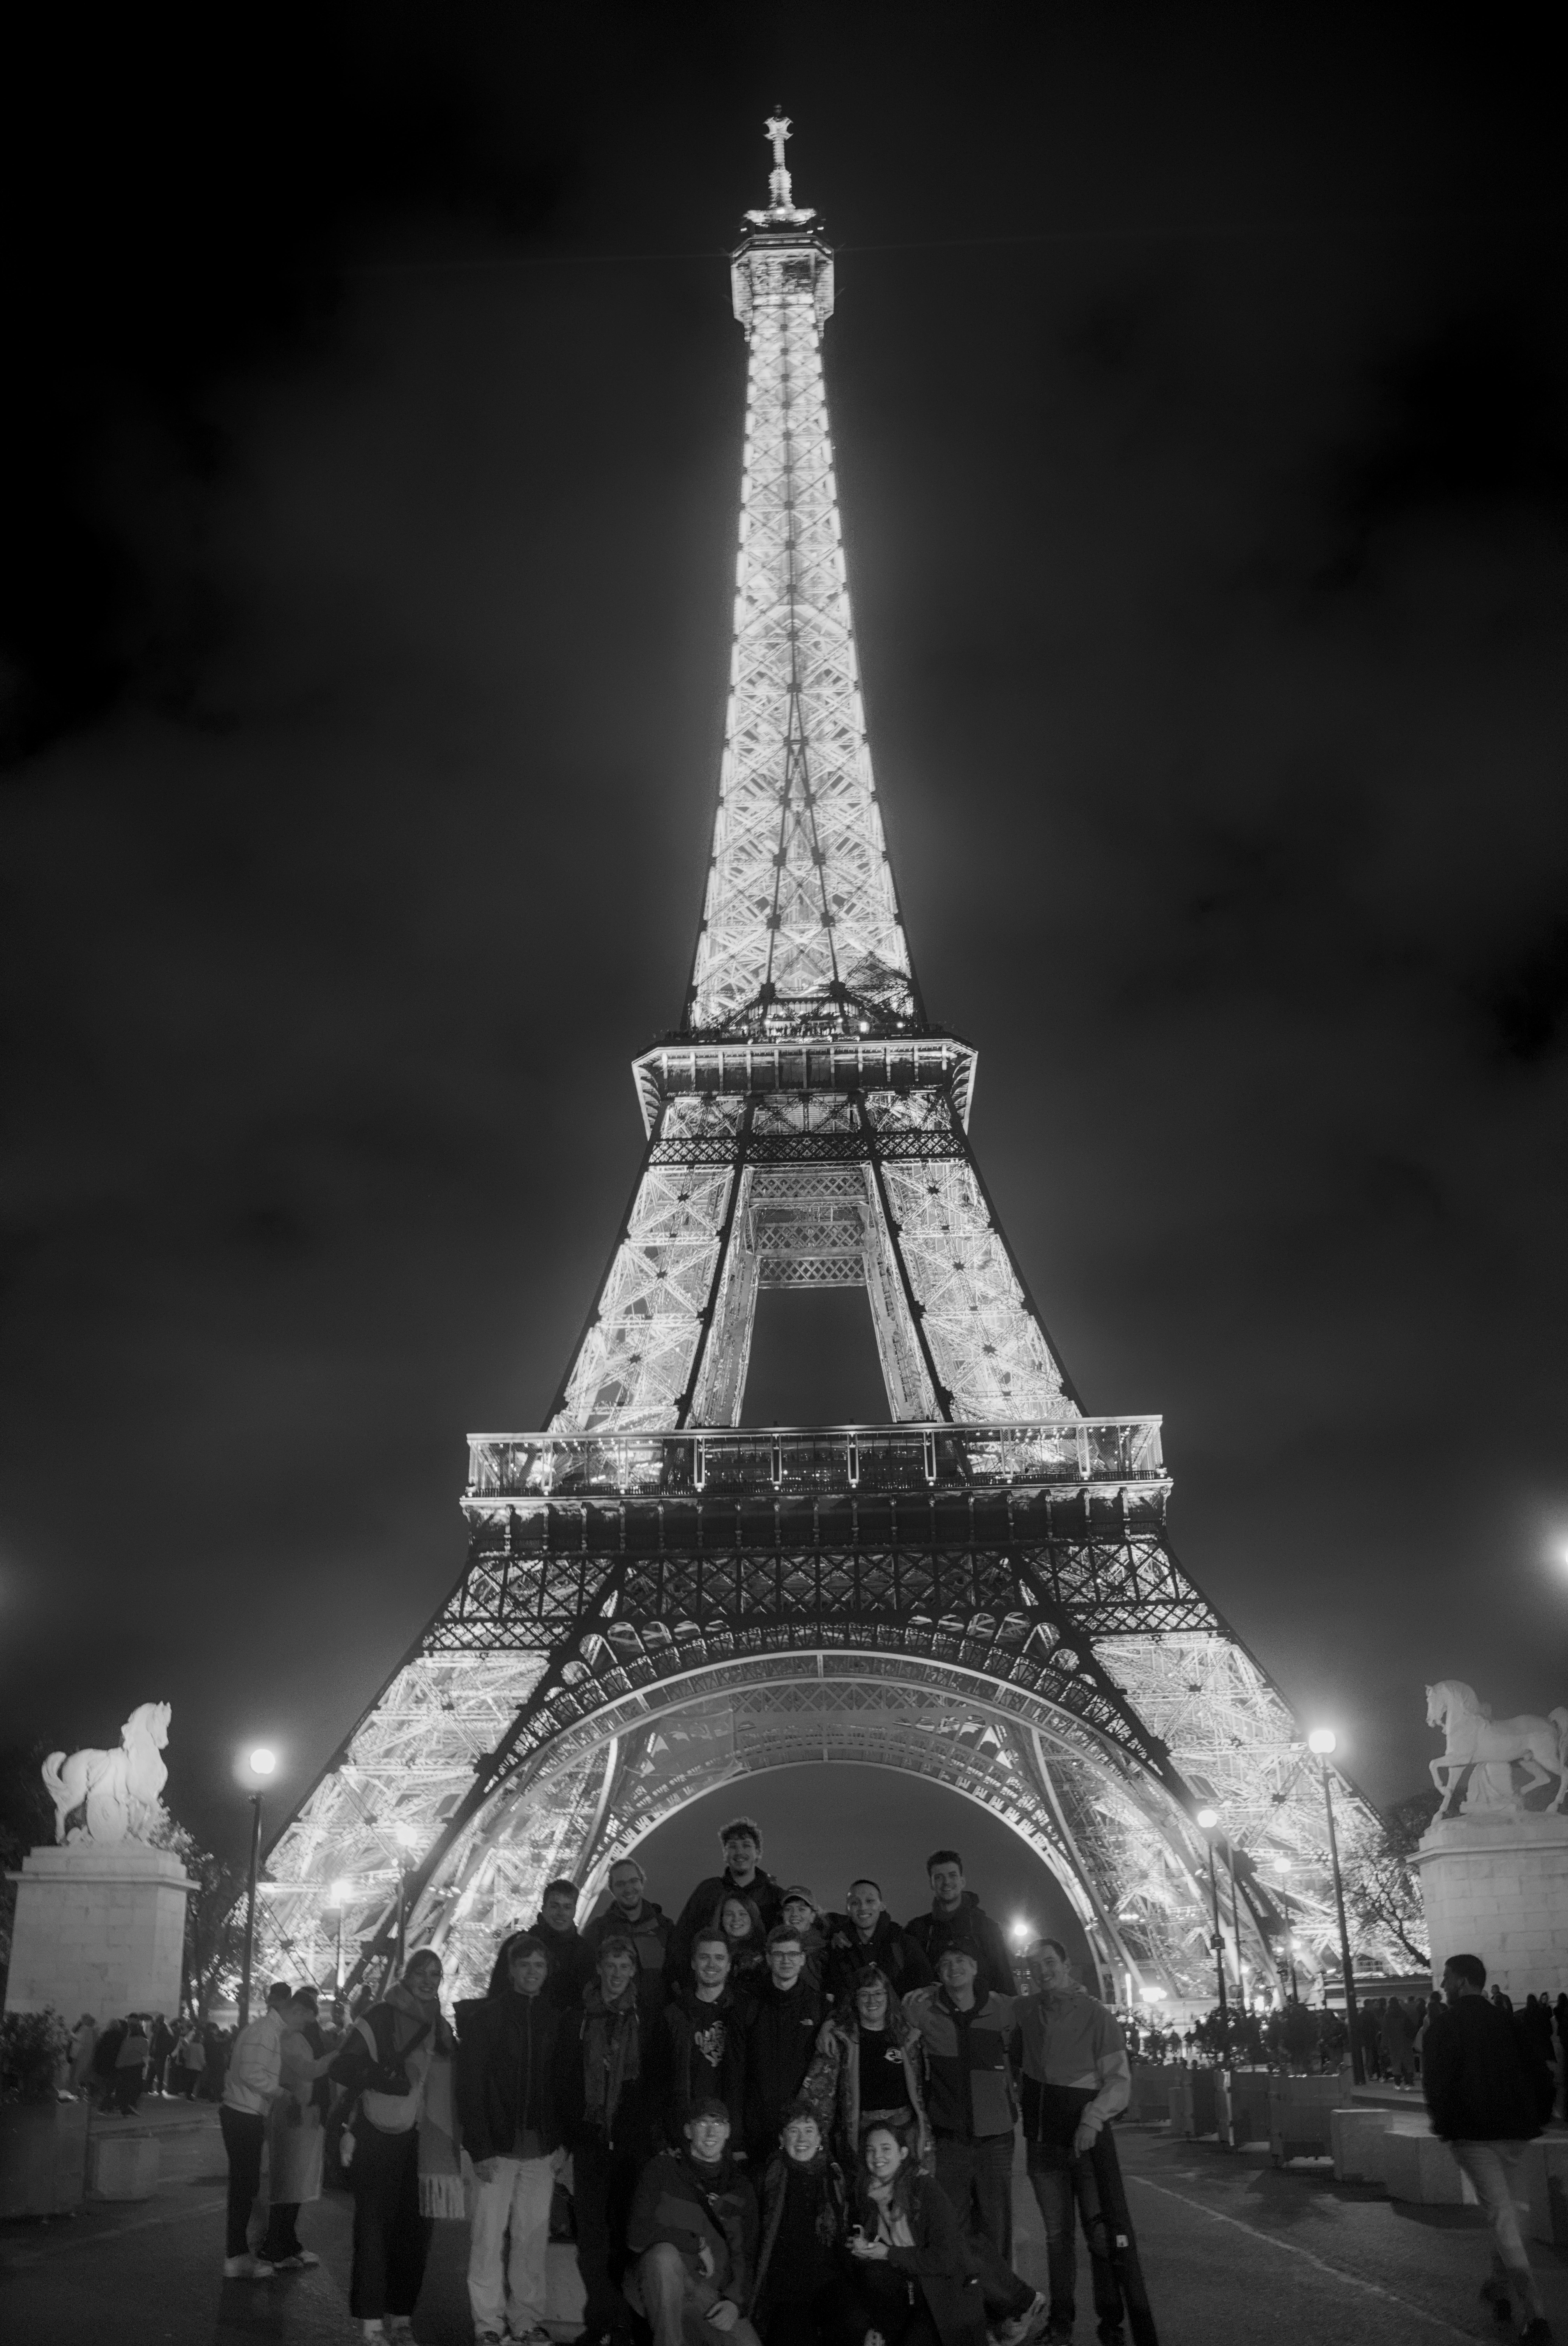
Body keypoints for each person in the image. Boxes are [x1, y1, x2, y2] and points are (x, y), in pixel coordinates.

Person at [902, 1943, 1044, 2345]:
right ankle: (1009, 2303)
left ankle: (1002, 2315)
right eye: (946, 1964)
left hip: (995, 2137)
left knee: (996, 2230)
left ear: (976, 1966)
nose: (953, 1968)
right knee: (955, 2232)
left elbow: (1043, 2012)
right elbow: (881, 2011)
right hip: (950, 2139)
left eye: (961, 1961)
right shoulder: (925, 2009)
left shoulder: (1003, 2007)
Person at [1423, 1951, 1554, 2344]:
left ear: (1462, 1981)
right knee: (1512, 2213)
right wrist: (1538, 2116)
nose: (1443, 1984)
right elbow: (1541, 2070)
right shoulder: (1508, 2021)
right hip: (1515, 2132)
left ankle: (1537, 2315)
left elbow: (1437, 2083)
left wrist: (1446, 2125)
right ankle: (1499, 2287)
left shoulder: (1443, 2027)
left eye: (1447, 1977)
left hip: (1473, 2135)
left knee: (1502, 2216)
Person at [330, 1947, 460, 2342]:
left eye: (435, 1974)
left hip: (425, 2141)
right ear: (405, 1975)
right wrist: (386, 2078)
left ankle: (402, 2316)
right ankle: (372, 2322)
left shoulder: (441, 2026)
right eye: (420, 1972)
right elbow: (344, 2064)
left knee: (416, 2232)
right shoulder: (380, 2016)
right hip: (379, 2132)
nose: (428, 1980)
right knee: (374, 2227)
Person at [1014, 1940, 1131, 2346]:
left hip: (1084, 2143)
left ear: (1067, 1964)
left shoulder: (1097, 2016)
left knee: (1098, 2234)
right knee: (1057, 2238)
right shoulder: (1026, 2010)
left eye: (1050, 1962)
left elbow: (1119, 2080)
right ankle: (1062, 2323)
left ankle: (1109, 2320)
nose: (1043, 1970)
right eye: (1035, 1965)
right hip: (1044, 2144)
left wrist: (1094, 2117)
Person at [456, 1929, 563, 2346]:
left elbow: (563, 2083)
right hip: (496, 2150)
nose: (532, 1972)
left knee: (531, 2241)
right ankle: (487, 2322)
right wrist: (479, 2148)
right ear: (512, 1969)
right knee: (486, 2238)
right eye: (525, 1965)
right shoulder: (488, 2017)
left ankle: (524, 2320)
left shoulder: (555, 2017)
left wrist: (561, 2140)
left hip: (541, 2150)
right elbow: (471, 2084)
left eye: (539, 1965)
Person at [559, 1933, 658, 2346]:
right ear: (599, 1968)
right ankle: (603, 2318)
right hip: (590, 2143)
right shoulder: (578, 2018)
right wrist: (574, 2134)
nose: (617, 1974)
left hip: (631, 2146)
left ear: (633, 1970)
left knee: (624, 2237)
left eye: (624, 1966)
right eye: (610, 1966)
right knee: (592, 2240)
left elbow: (656, 2081)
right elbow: (563, 2079)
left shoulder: (647, 2018)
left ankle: (621, 2322)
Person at [625, 2097, 761, 2346]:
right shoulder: (662, 2170)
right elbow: (636, 2235)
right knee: (664, 2257)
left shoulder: (740, 2188)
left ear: (728, 2131)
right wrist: (695, 2243)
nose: (711, 2132)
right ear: (688, 2131)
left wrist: (734, 2303)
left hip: (707, 2296)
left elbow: (745, 2254)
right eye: (702, 2124)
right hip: (661, 2288)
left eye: (718, 2124)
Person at [843, 2123, 986, 2346]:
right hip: (905, 2298)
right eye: (870, 2150)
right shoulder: (869, 2194)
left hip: (943, 2300)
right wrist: (862, 2247)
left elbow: (945, 2260)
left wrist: (888, 2254)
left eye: (885, 2149)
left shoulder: (925, 2191)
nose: (877, 2156)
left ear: (903, 2153)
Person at [222, 1985, 318, 2280]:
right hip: (243, 2113)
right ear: (296, 2011)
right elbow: (250, 2073)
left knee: (245, 2187)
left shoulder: (266, 2030)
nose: (302, 2028)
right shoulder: (265, 2031)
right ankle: (236, 2257)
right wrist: (281, 2093)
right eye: (303, 2021)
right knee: (243, 2188)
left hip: (245, 2112)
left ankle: (237, 2255)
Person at [747, 2099, 855, 2346]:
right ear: (782, 2140)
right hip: (786, 2291)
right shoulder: (764, 2178)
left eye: (809, 2131)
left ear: (820, 2140)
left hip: (831, 2284)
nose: (802, 2139)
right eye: (793, 2131)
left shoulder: (838, 2176)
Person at [804, 1965, 932, 2172]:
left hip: (905, 2130)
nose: (872, 2001)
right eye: (864, 1995)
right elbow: (819, 2094)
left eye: (878, 1994)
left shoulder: (908, 2037)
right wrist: (813, 2134)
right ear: (855, 2000)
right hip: (861, 2131)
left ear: (888, 1996)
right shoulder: (840, 2040)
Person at [263, 1986, 335, 2270]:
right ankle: (277, 2246)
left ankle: (286, 2243)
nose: (309, 2022)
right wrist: (336, 2056)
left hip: (303, 2113)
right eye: (307, 2016)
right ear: (297, 2010)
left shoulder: (298, 2036)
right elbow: (309, 2070)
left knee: (296, 2181)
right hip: (294, 2114)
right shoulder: (291, 2038)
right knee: (289, 2181)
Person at [660, 1928, 750, 2143]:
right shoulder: (674, 2015)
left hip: (733, 2134)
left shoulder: (747, 2012)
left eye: (719, 1958)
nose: (712, 1965)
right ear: (693, 1963)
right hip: (686, 2130)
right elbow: (660, 2080)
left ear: (729, 1965)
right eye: (704, 1957)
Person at [744, 1927, 825, 2166]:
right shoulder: (749, 2005)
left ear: (802, 1959)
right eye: (779, 1955)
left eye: (792, 1954)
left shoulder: (819, 2007)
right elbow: (736, 2070)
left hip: (801, 2128)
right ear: (769, 1959)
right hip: (757, 2125)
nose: (786, 1960)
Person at [669, 1819, 785, 1979]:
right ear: (725, 1853)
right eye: (732, 1847)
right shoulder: (708, 1892)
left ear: (758, 1852)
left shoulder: (776, 1897)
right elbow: (682, 1939)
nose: (739, 1852)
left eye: (746, 1845)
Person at [905, 1854, 1017, 1998]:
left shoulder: (986, 1928)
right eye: (939, 1877)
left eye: (952, 1875)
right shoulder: (917, 1930)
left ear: (963, 1881)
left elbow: (1004, 1981)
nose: (947, 1882)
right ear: (931, 1884)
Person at [584, 1858, 675, 2019]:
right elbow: (589, 1979)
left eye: (633, 1881)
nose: (628, 1889)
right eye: (620, 1884)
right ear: (611, 1889)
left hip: (656, 2022)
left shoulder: (664, 1928)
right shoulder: (597, 1931)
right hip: (612, 2021)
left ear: (642, 1883)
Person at [823, 1882, 933, 2009]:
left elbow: (926, 1985)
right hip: (852, 2024)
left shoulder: (903, 1943)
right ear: (847, 1909)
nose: (863, 1907)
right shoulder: (837, 1946)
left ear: (882, 1906)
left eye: (870, 1901)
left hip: (897, 2024)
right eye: (855, 1903)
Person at [527, 1879, 595, 2012]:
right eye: (555, 1906)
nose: (561, 1913)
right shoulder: (520, 1946)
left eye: (567, 1907)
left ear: (575, 1910)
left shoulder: (585, 1953)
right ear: (543, 1908)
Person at [778, 1887, 830, 1994]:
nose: (794, 1914)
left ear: (812, 1916)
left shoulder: (826, 1952)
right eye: (788, 1909)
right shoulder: (772, 1948)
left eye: (802, 1909)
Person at [720, 1894, 769, 1996]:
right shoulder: (711, 1948)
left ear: (753, 1917)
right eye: (729, 1914)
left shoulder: (761, 1956)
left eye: (742, 1914)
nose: (736, 1919)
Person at [113, 2013, 150, 2114]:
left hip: (126, 2067)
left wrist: (118, 2065)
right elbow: (145, 2053)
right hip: (137, 2067)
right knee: (135, 2087)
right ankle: (130, 2105)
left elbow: (122, 2054)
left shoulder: (127, 2040)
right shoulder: (143, 2041)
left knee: (125, 2087)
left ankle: (124, 2106)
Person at [170, 2017, 206, 2099]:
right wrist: (204, 2064)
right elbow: (201, 2057)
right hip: (196, 2066)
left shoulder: (190, 2044)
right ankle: (189, 2095)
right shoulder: (199, 2046)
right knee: (192, 2082)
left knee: (188, 2080)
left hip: (188, 2064)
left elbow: (185, 2053)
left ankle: (186, 2093)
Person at [67, 2014, 98, 2097]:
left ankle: (76, 2093)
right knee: (77, 2076)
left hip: (79, 2057)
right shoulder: (87, 2030)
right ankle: (76, 2093)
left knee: (76, 2076)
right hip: (80, 2057)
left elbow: (80, 2042)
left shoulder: (86, 2030)